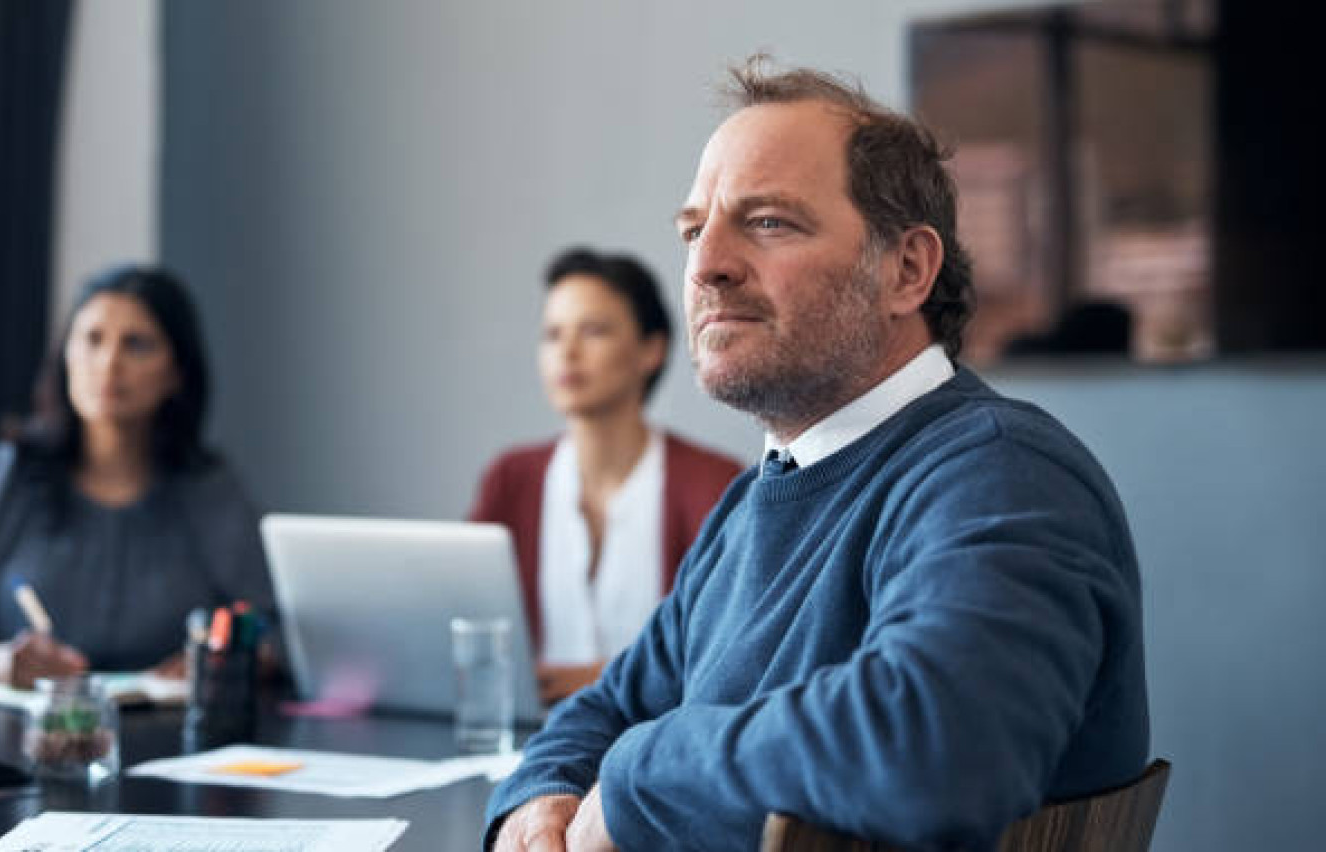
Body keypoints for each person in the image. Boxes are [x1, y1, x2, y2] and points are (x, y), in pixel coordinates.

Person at [486, 58, 1149, 852]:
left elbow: (933, 744)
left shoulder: (1004, 473)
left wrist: (632, 782)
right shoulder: (752, 503)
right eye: (695, 230)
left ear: (906, 270)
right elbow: (606, 708)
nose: (705, 267)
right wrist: (544, 797)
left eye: (768, 222)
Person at [0, 265, 277, 689]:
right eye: (92, 340)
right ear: (65, 355)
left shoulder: (210, 493)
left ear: (177, 373)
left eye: (137, 345)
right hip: (15, 742)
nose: (109, 363)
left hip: (169, 741)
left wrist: (232, 660)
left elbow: (272, 631)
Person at [470, 248, 742, 705]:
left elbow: (732, 648)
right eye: (553, 335)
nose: (567, 353)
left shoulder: (714, 484)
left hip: (656, 743)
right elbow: (467, 625)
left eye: (593, 331)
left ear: (651, 350)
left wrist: (612, 679)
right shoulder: (511, 479)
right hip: (526, 737)